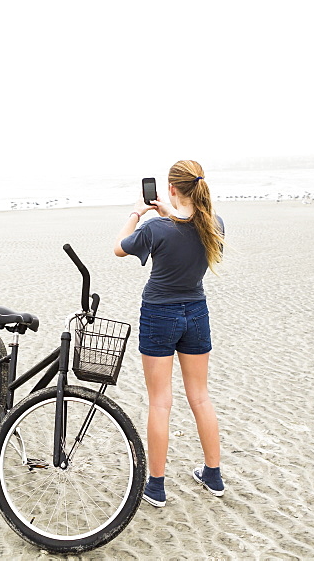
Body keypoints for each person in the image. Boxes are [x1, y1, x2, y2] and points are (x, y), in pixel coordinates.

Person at [113, 160, 226, 507]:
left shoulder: (156, 228)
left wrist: (137, 213)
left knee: (160, 402)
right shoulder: (215, 224)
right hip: (196, 313)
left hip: (159, 316)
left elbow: (119, 247)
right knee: (201, 397)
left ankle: (157, 487)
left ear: (173, 189)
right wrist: (170, 211)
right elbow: (187, 226)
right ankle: (214, 475)